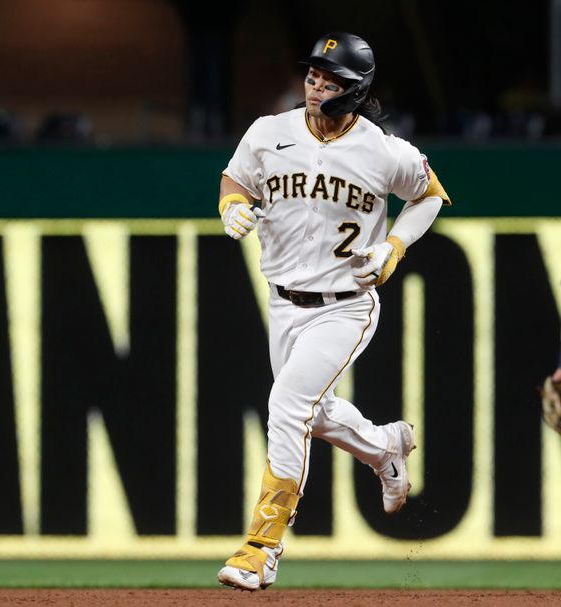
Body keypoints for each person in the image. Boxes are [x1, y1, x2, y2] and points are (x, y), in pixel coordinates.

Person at [216, 32, 451, 591]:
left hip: (345, 306)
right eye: (314, 76)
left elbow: (431, 194)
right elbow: (235, 179)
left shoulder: (382, 149)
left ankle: (262, 547)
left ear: (356, 91)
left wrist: (394, 247)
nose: (318, 86)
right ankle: (385, 447)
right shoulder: (269, 132)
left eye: (332, 80)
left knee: (287, 405)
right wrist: (230, 204)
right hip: (283, 302)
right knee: (310, 415)